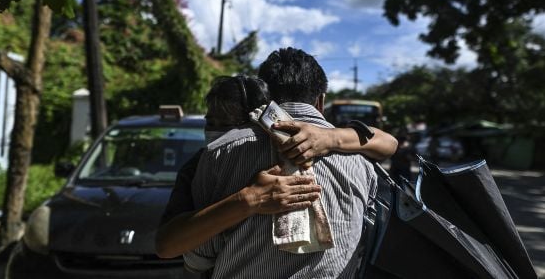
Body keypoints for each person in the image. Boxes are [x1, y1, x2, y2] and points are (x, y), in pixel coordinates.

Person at [185, 48, 384, 278]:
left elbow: (198, 255)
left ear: (265, 95)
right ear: (320, 101)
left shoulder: (220, 152)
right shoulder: (362, 163)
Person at [155, 75, 397, 259]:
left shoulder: (298, 143)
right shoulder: (204, 163)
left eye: (232, 124)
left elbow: (388, 143)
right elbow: (167, 246)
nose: (220, 133)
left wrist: (330, 138)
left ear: (262, 120)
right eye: (212, 122)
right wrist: (249, 200)